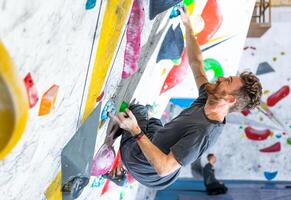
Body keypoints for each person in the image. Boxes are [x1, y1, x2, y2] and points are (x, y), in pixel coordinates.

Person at [107, 7, 262, 190]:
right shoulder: (211, 97)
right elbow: (197, 64)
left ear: (229, 100)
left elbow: (164, 168)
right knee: (155, 121)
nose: (220, 78)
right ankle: (127, 144)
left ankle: (122, 168)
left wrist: (135, 130)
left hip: (145, 166)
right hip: (159, 173)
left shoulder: (203, 133)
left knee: (137, 111)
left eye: (227, 81)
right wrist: (189, 27)